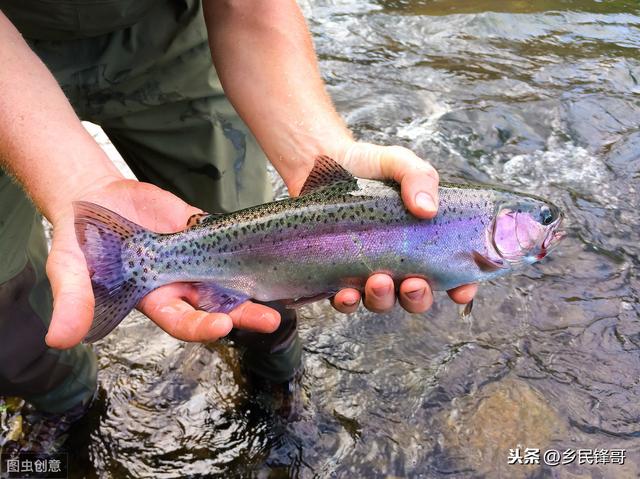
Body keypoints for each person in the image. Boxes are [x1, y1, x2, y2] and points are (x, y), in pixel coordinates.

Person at [0, 0, 477, 449]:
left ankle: (274, 376)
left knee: (268, 262)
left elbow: (248, 8)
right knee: (7, 301)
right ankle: (64, 402)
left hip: (162, 33)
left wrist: (324, 151)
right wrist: (77, 183)